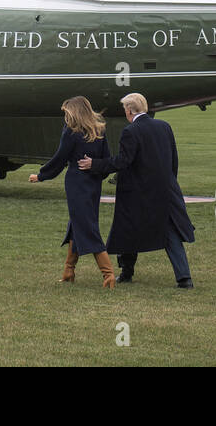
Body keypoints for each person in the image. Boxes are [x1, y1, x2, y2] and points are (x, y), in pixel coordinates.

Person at [78, 92, 195, 288]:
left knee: (128, 229)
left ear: (130, 110)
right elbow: (173, 160)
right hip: (165, 189)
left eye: (125, 108)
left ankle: (126, 271)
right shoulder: (164, 126)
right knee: (170, 232)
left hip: (138, 192)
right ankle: (184, 278)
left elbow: (123, 161)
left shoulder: (131, 131)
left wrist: (95, 164)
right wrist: (169, 183)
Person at [29, 96, 116, 288]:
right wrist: (94, 171)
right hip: (93, 184)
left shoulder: (71, 132)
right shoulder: (99, 130)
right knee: (78, 223)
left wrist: (41, 175)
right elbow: (107, 161)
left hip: (77, 184)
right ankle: (69, 271)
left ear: (74, 112)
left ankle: (108, 274)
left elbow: (60, 158)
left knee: (87, 226)